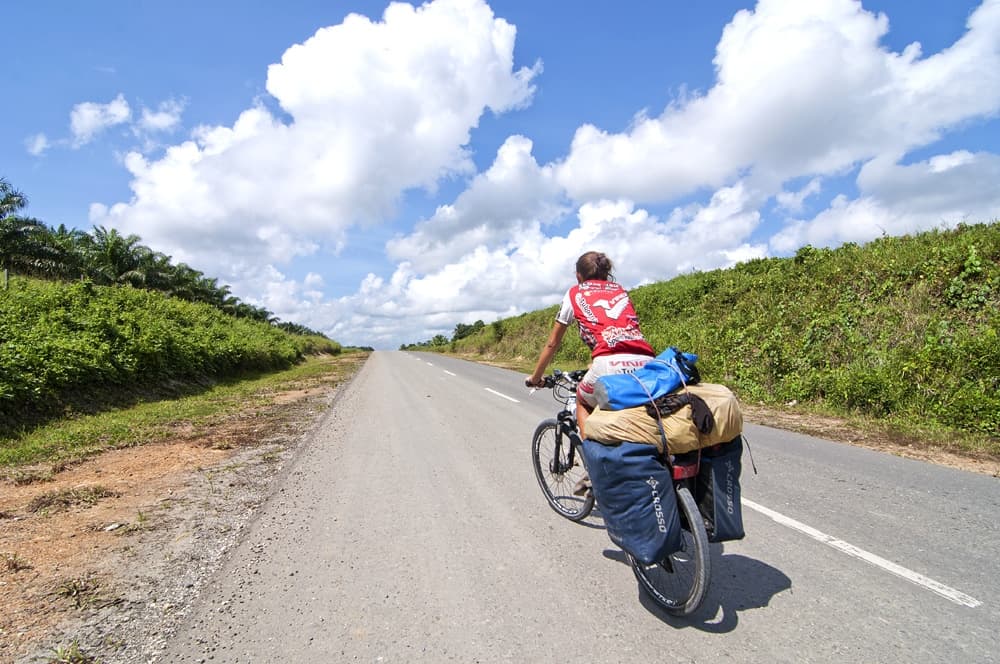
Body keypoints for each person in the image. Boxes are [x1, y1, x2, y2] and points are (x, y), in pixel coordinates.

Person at [525, 251, 655, 441]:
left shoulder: (575, 292)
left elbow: (553, 342)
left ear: (578, 275)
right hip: (648, 363)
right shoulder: (619, 290)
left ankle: (593, 462)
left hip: (608, 363)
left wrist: (536, 378)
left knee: (582, 400)